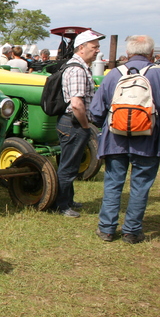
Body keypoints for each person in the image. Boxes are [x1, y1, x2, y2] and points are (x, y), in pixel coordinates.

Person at [89, 35, 160, 243]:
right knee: (141, 185)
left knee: (112, 183)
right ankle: (132, 230)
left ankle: (107, 229)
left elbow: (96, 111)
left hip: (115, 139)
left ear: (128, 53)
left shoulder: (113, 75)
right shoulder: (157, 75)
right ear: (151, 53)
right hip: (148, 140)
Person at [56, 29, 105, 217]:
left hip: (72, 123)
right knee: (68, 166)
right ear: (81, 48)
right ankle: (61, 205)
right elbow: (76, 104)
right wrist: (86, 126)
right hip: (74, 123)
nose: (97, 51)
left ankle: (67, 200)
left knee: (71, 164)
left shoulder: (79, 67)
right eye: (94, 47)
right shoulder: (76, 70)